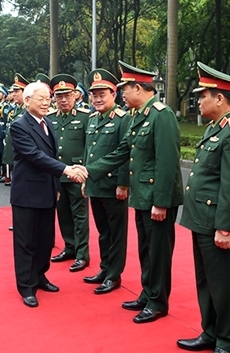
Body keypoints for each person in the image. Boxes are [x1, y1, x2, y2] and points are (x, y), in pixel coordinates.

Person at [82, 61, 183, 324]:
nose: (122, 94)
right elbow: (121, 152)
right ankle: (147, 293)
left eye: (124, 89)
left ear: (138, 88)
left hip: (157, 200)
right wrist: (89, 170)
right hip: (142, 198)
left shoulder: (162, 115)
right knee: (146, 250)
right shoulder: (140, 115)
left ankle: (158, 302)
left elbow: (167, 162)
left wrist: (161, 202)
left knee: (158, 252)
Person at [176, 62, 230, 353]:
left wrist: (224, 227)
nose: (198, 101)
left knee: (224, 286)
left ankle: (229, 340)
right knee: (206, 282)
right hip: (201, 220)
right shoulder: (215, 128)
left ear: (219, 98)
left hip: (218, 224)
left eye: (202, 95)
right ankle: (210, 332)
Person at [10, 81, 87, 308]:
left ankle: (40, 276)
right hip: (26, 194)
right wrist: (66, 170)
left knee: (45, 241)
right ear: (27, 101)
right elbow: (35, 156)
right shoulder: (19, 126)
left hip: (47, 192)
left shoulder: (48, 124)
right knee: (26, 242)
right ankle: (26, 286)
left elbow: (51, 154)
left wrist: (56, 187)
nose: (46, 103)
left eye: (47, 99)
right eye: (41, 99)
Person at [81, 68, 130, 294]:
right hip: (95, 184)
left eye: (102, 94)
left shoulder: (123, 119)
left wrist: (123, 184)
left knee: (116, 232)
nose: (97, 99)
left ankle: (114, 275)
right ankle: (104, 268)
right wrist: (85, 178)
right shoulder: (92, 119)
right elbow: (88, 152)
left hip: (113, 187)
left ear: (114, 94)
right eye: (94, 95)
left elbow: (126, 154)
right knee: (102, 231)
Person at [48, 73, 91, 272]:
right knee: (63, 213)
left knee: (80, 216)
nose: (63, 100)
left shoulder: (85, 117)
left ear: (75, 95)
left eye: (67, 95)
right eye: (59, 96)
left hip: (77, 175)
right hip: (59, 174)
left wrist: (86, 174)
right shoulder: (49, 119)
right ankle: (69, 247)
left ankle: (82, 254)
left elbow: (89, 147)